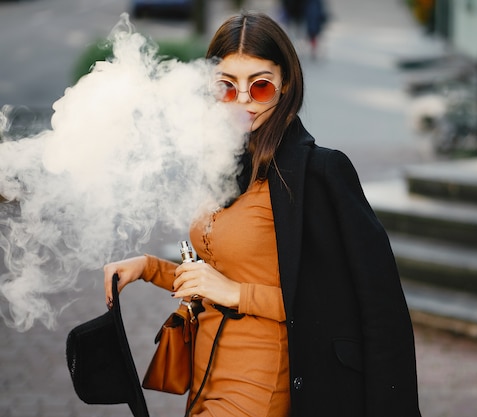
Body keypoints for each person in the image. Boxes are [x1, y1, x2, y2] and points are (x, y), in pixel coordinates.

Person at [103, 11, 421, 417]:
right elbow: (222, 271)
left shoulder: (319, 172)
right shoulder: (224, 162)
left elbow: (347, 304)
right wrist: (148, 267)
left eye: (261, 86)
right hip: (205, 377)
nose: (244, 101)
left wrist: (234, 294)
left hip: (260, 385)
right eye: (226, 87)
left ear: (284, 84)